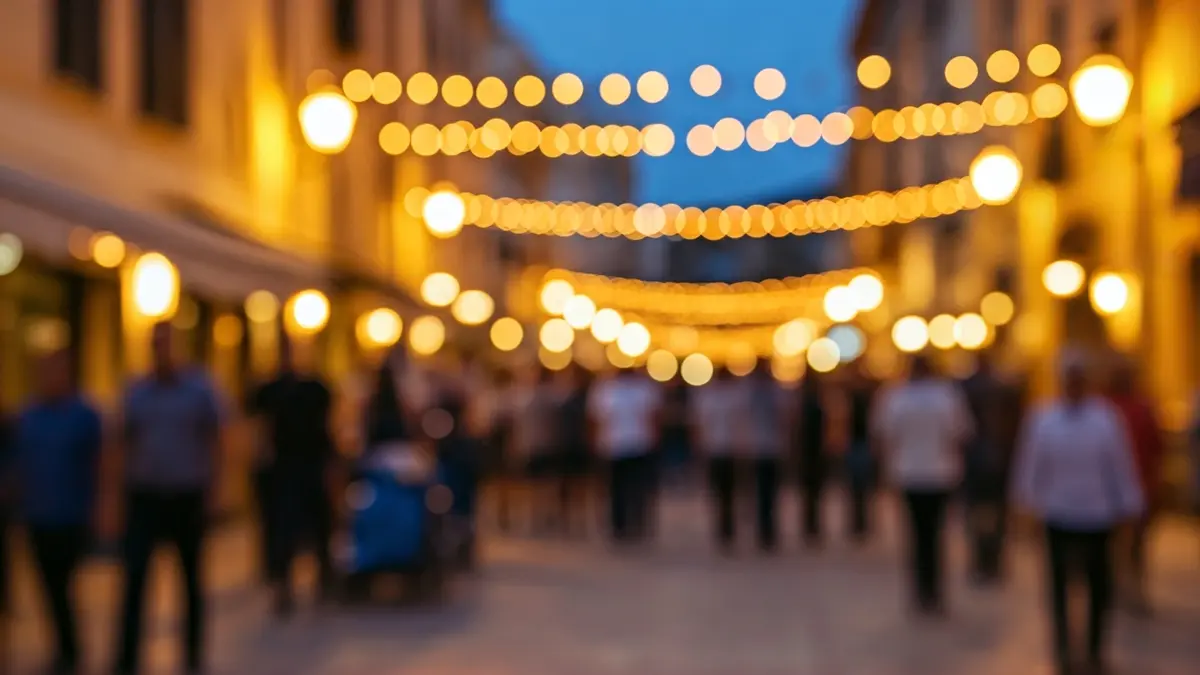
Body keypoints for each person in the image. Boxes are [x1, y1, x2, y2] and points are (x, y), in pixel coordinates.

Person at [1013, 354, 1144, 675]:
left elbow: (1120, 464)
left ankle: (1095, 651)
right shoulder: (1044, 419)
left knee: (1099, 586)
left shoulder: (1105, 419)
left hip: (1096, 514)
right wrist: (1024, 505)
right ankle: (1063, 649)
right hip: (1058, 513)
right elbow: (1031, 465)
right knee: (1058, 586)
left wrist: (1129, 505)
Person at [115, 321, 223, 675]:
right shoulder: (137, 391)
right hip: (145, 496)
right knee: (134, 581)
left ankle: (192, 655)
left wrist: (215, 489)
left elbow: (218, 438)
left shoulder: (199, 389)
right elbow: (121, 441)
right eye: (156, 345)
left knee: (191, 581)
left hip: (185, 496)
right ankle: (126, 658)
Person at [11, 350, 103, 674]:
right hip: (38, 515)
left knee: (64, 584)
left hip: (72, 515)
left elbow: (101, 463)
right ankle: (64, 648)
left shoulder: (85, 415)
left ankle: (71, 649)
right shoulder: (28, 416)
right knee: (48, 587)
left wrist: (103, 508)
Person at [872, 355, 972, 616]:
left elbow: (884, 437)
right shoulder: (945, 396)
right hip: (936, 474)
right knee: (933, 536)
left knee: (918, 536)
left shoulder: (896, 397)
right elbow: (961, 434)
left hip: (912, 474)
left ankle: (922, 592)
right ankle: (932, 592)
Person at [247, 333, 336, 617]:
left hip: (311, 465)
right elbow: (257, 425)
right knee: (283, 529)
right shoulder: (270, 389)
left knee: (319, 526)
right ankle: (283, 583)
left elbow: (330, 425)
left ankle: (323, 580)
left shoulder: (316, 388)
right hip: (283, 469)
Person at [961, 355, 1025, 584]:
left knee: (982, 514)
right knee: (992, 515)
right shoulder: (1002, 390)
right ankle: (990, 560)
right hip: (991, 464)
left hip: (986, 465)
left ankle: (984, 560)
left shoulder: (967, 389)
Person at [1106, 360, 1163, 614]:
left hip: (1138, 486)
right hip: (1114, 490)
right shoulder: (1107, 410)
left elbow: (1155, 447)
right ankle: (1122, 587)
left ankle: (1131, 589)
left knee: (1135, 543)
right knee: (1122, 543)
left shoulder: (1135, 408)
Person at [588, 368, 662, 543]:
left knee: (638, 487)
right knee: (616, 489)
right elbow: (594, 419)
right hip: (614, 447)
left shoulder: (644, 389)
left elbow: (654, 417)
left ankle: (638, 522)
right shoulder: (604, 389)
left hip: (639, 445)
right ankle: (618, 526)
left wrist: (653, 440)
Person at [689, 367, 743, 552]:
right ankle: (725, 526)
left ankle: (725, 526)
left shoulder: (712, 398)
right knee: (725, 492)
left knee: (723, 492)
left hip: (722, 450)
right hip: (721, 449)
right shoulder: (732, 398)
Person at [744, 361, 788, 552]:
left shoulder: (775, 392)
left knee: (770, 493)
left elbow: (786, 417)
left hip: (771, 448)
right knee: (761, 493)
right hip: (758, 448)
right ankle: (763, 530)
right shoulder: (750, 393)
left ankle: (768, 530)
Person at [512, 367, 561, 533]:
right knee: (540, 484)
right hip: (539, 446)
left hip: (538, 446)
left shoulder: (533, 398)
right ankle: (541, 515)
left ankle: (541, 516)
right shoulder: (550, 398)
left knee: (540, 484)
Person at [554, 365, 593, 537]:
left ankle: (579, 520)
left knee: (579, 485)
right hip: (566, 445)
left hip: (579, 446)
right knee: (566, 485)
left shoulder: (587, 399)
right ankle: (568, 520)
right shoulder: (564, 397)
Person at [844, 366, 879, 544]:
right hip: (855, 446)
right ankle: (858, 523)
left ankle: (863, 523)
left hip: (863, 446)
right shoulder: (847, 398)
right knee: (856, 488)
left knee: (864, 488)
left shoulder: (870, 399)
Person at [796, 373, 827, 547]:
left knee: (810, 493)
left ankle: (810, 525)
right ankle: (812, 526)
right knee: (813, 493)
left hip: (810, 455)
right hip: (814, 455)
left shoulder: (804, 407)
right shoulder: (816, 406)